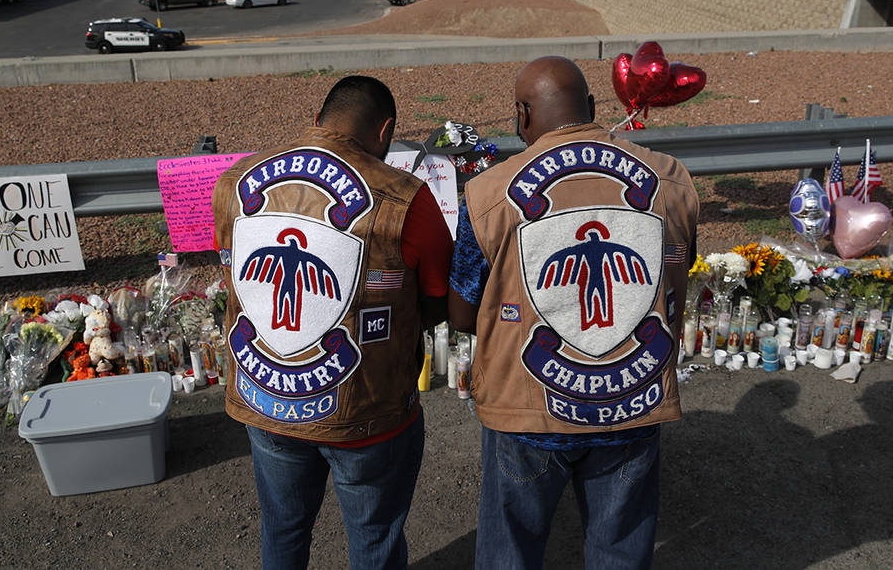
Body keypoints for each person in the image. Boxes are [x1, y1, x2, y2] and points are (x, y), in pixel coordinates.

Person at [449, 56, 699, 569]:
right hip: (632, 401)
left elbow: (459, 312)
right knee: (620, 553)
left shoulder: (488, 192)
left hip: (526, 410)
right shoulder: (671, 180)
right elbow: (677, 263)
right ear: (591, 106)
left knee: (510, 554)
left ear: (521, 114)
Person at [211, 75, 453, 570]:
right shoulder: (408, 197)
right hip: (368, 413)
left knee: (283, 531)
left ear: (318, 120)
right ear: (385, 131)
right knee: (375, 540)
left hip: (269, 400)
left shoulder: (234, 180)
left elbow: (233, 273)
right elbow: (436, 302)